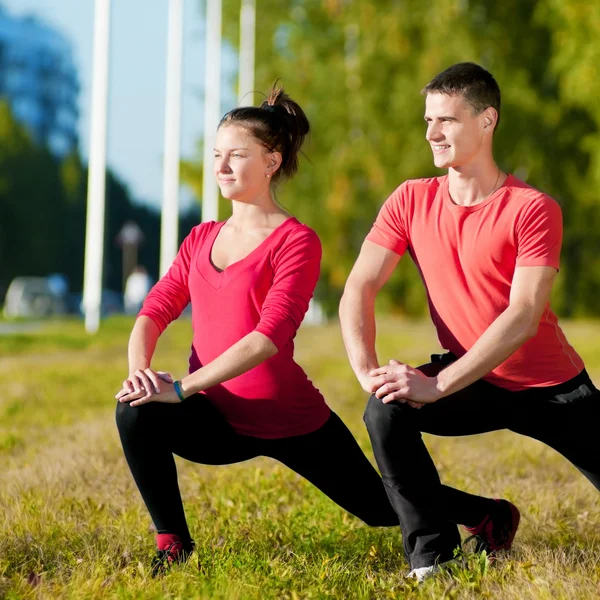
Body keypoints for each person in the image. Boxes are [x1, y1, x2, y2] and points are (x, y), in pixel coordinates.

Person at [115, 86, 398, 576]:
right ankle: (173, 544)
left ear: (272, 161)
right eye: (217, 155)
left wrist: (181, 389)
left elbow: (268, 337)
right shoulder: (201, 237)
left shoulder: (297, 240)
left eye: (237, 156)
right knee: (135, 411)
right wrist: (142, 375)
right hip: (216, 419)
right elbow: (156, 308)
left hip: (286, 418)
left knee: (379, 508)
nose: (222, 166)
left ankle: (486, 514)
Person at [339, 62, 600, 582]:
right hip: (471, 378)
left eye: (447, 120)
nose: (432, 133)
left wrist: (438, 384)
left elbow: (523, 315)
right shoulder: (411, 199)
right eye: (428, 120)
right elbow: (359, 288)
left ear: (487, 121)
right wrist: (367, 369)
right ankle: (434, 559)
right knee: (385, 410)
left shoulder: (532, 208)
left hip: (549, 387)